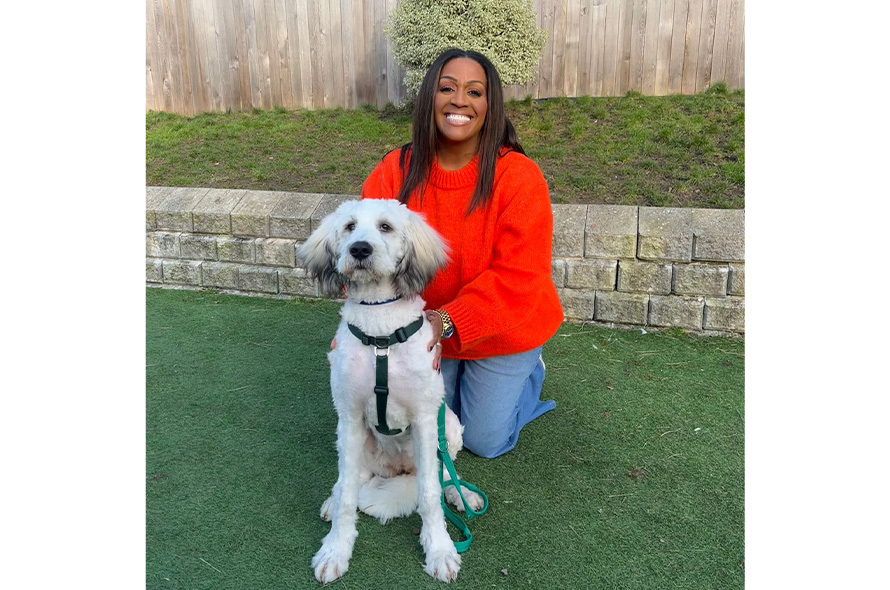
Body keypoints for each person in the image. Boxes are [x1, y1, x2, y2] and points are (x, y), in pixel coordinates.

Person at [360, 48, 564, 458]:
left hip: (505, 327)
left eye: (475, 91)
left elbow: (520, 278)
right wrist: (355, 329)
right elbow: (364, 257)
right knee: (420, 426)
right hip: (421, 327)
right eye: (447, 87)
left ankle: (528, 373)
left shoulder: (520, 177)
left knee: (481, 440)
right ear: (428, 99)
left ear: (490, 106)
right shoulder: (395, 169)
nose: (459, 101)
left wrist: (448, 319)